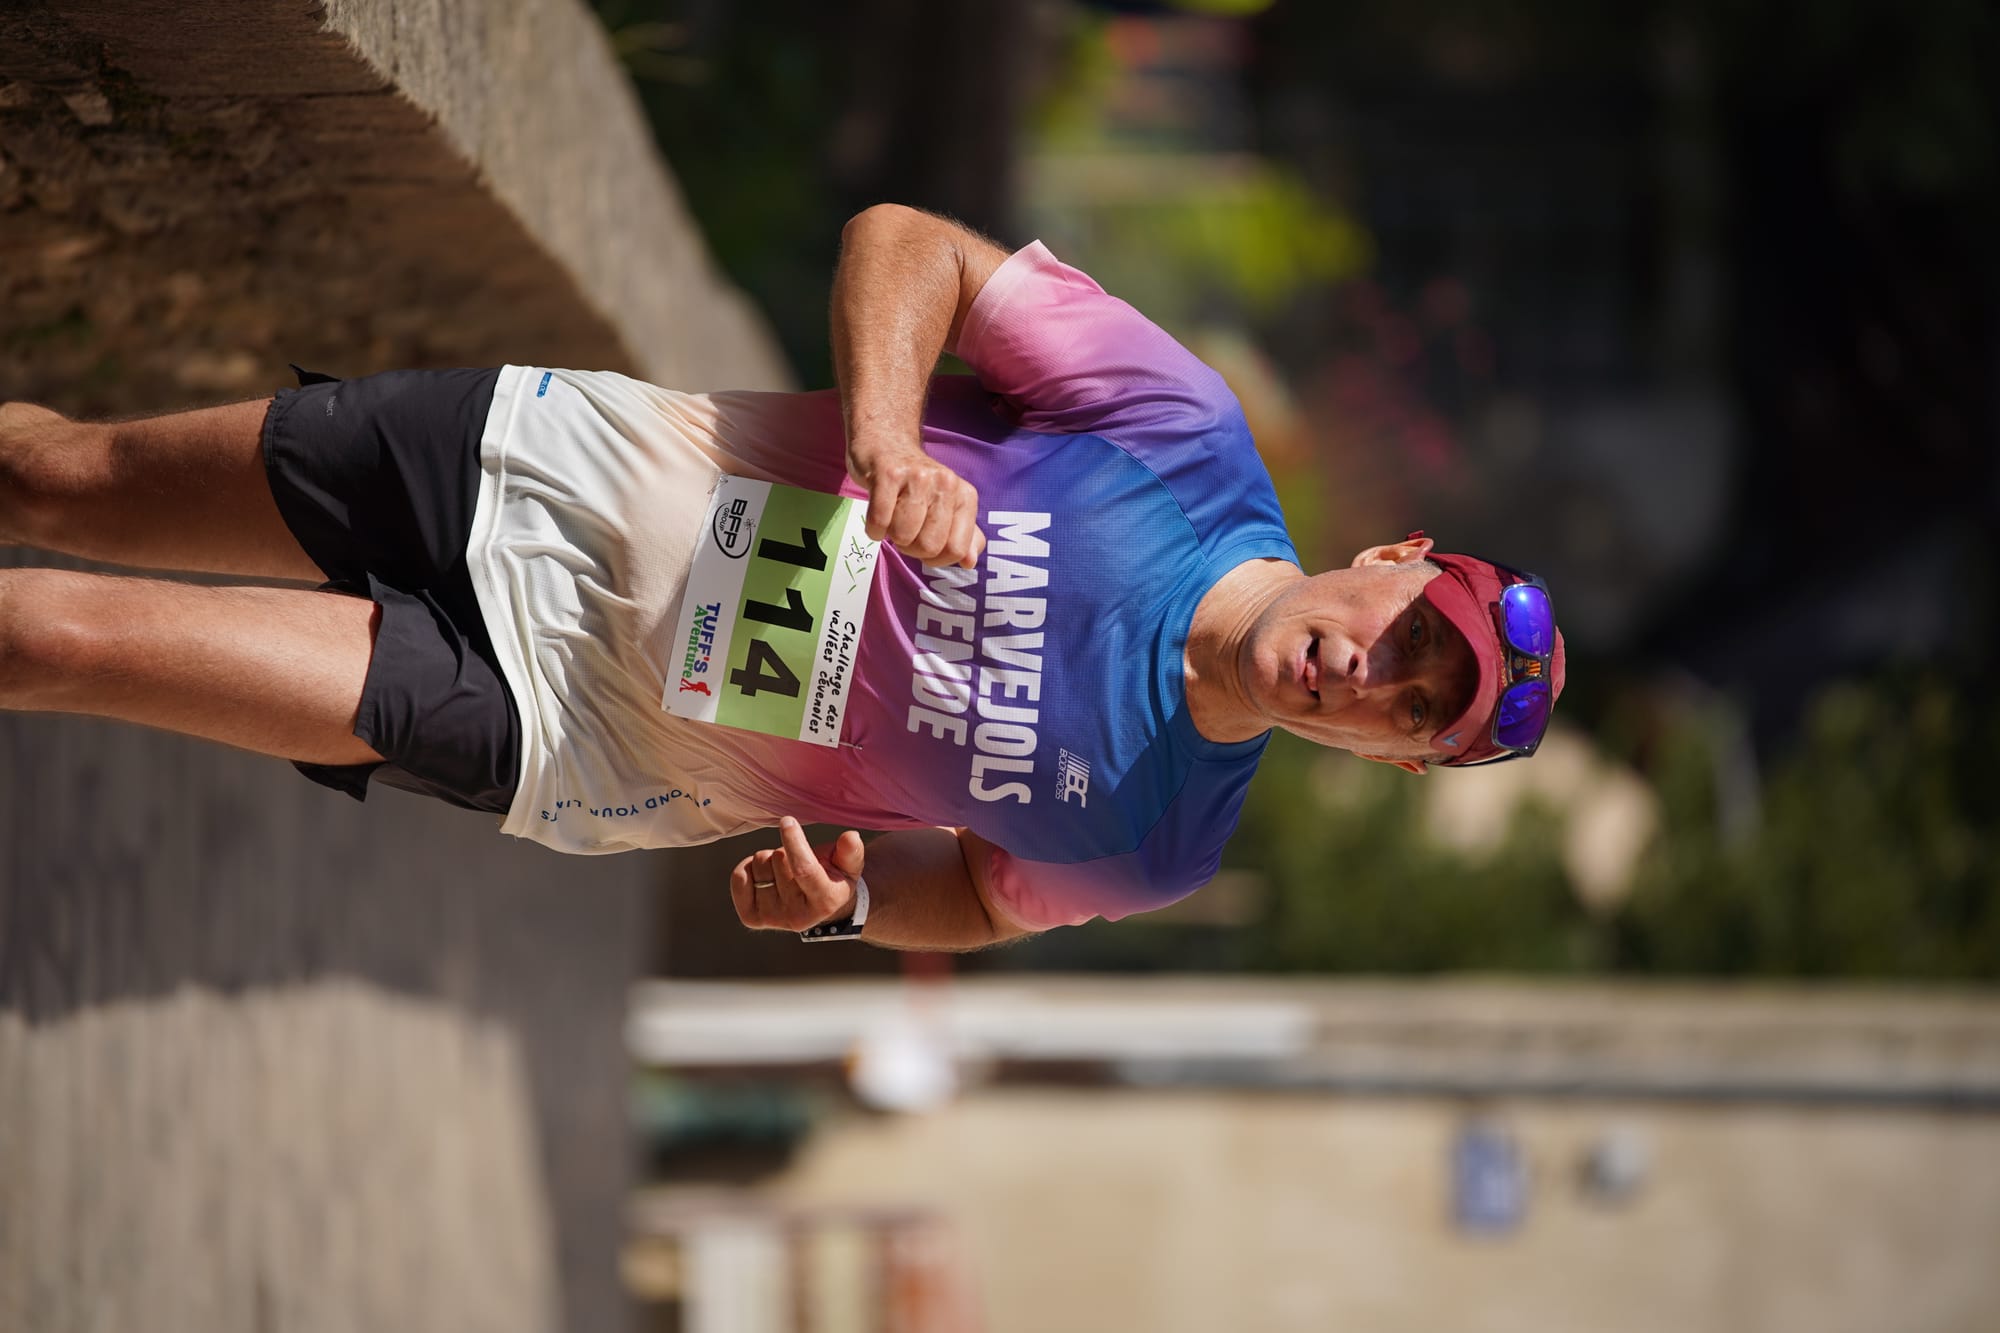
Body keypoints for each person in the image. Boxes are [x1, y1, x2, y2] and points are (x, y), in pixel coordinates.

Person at [0, 204, 1564, 949]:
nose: (1371, 675)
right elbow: (909, 245)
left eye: (1410, 712)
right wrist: (888, 439)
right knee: (56, 476)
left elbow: (972, 897)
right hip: (562, 467)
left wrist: (845, 900)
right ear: (1392, 559)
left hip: (572, 731)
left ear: (1386, 754)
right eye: (1407, 637)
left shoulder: (1159, 841)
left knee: (49, 631)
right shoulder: (1183, 436)